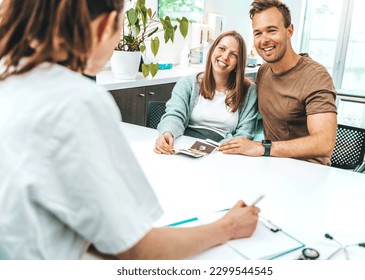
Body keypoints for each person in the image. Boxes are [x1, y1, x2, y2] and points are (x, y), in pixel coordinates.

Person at [0, 0, 259, 260]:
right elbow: (136, 248)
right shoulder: (77, 101)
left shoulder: (9, 77)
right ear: (104, 25)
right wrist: (228, 227)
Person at [219, 0, 337, 166]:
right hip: (273, 165)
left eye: (272, 30)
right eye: (258, 33)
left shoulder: (316, 77)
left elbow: (324, 143)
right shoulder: (264, 71)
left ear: (290, 30)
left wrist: (262, 148)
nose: (264, 40)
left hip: (309, 169)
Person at [154, 30, 258, 155]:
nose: (225, 57)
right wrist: (167, 132)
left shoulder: (249, 91)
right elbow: (174, 115)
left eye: (233, 54)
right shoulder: (188, 83)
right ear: (212, 50)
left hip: (223, 152)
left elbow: (245, 133)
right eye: (221, 49)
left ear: (238, 63)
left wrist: (220, 149)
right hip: (183, 146)